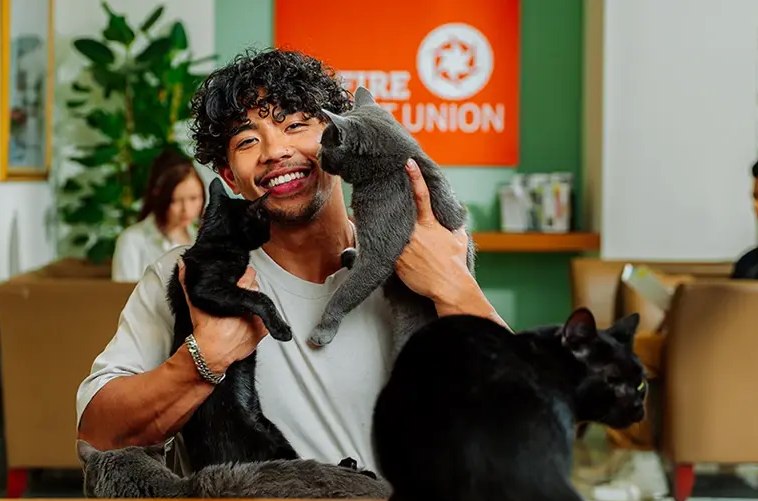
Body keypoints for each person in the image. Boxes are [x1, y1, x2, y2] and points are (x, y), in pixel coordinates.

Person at [76, 49, 507, 474]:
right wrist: (203, 359)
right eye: (248, 140)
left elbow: (519, 419)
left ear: (338, 136)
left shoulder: (421, 258)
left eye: (295, 125)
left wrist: (456, 288)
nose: (275, 150)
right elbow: (97, 435)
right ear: (229, 177)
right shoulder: (189, 274)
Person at [111, 149, 206, 282]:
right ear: (160, 196)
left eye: (194, 198)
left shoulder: (200, 239)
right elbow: (123, 293)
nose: (186, 209)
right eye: (176, 200)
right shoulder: (132, 241)